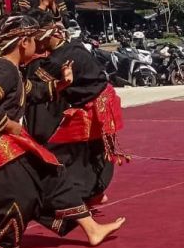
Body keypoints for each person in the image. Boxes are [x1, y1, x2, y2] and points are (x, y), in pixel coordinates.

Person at [0, 14, 124, 248]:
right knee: (21, 195)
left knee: (52, 174)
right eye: (34, 40)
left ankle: (93, 230)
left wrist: (59, 86)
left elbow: (30, 91)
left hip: (2, 142)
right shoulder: (2, 70)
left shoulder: (12, 70)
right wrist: (9, 124)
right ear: (23, 42)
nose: (38, 45)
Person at [27, 13, 130, 227]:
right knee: (91, 151)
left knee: (68, 153)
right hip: (93, 102)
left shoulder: (59, 60)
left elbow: (33, 87)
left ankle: (84, 194)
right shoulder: (72, 44)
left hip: (95, 107)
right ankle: (95, 194)